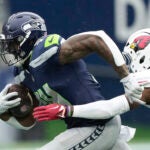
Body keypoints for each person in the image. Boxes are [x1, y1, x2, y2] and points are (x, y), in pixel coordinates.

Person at [0, 12, 144, 150]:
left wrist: (126, 77)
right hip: (85, 127)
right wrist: (3, 112)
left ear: (29, 38)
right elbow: (29, 121)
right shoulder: (21, 73)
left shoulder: (46, 50)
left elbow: (97, 38)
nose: (9, 49)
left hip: (97, 124)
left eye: (13, 43)